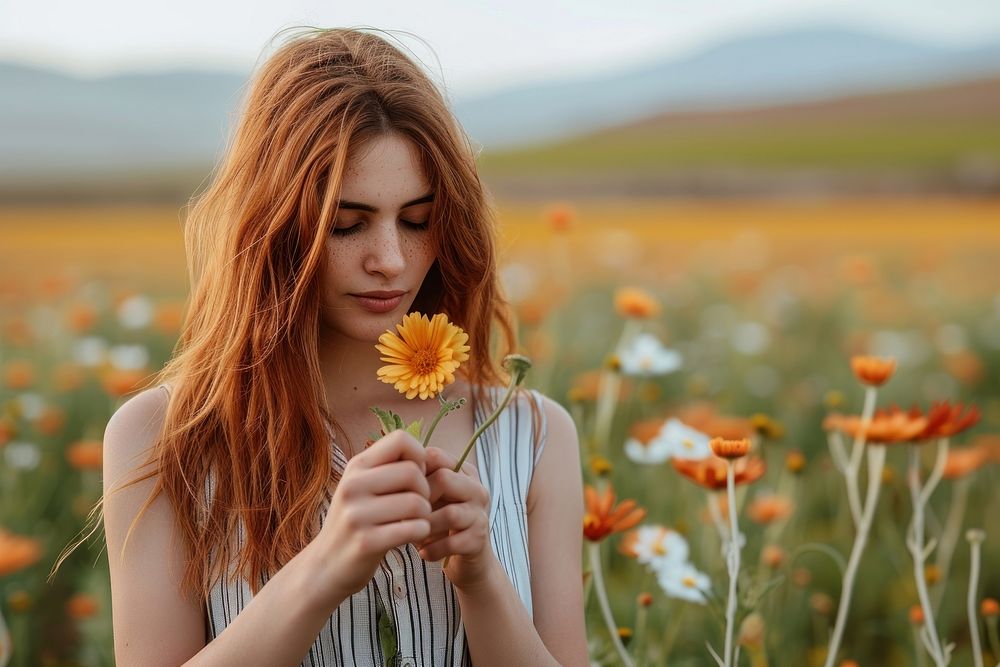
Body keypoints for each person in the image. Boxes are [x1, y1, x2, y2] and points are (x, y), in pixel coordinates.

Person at [86, 26, 587, 666]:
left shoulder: (530, 434)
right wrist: (323, 568)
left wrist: (482, 580)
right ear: (272, 230)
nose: (390, 259)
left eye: (417, 220)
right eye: (346, 225)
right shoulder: (164, 438)